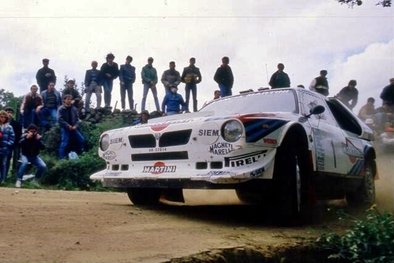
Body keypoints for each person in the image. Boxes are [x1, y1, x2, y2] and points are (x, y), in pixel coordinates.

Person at [15, 124, 47, 188]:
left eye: (34, 131)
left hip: (34, 156)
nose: (33, 132)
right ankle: (19, 180)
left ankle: (35, 180)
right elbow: (19, 144)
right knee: (24, 163)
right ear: (28, 131)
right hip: (25, 155)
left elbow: (43, 148)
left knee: (43, 166)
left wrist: (39, 140)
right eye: (31, 131)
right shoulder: (24, 136)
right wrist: (27, 139)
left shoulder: (37, 137)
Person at [58, 94, 85, 159]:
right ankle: (62, 159)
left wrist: (76, 125)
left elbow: (78, 119)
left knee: (81, 139)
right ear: (64, 100)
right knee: (64, 143)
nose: (69, 100)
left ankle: (82, 154)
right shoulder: (61, 109)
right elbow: (59, 119)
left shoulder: (74, 108)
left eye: (70, 99)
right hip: (65, 128)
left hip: (74, 128)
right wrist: (68, 126)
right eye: (68, 99)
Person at [4, 107, 22, 178]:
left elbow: (18, 135)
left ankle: (4, 177)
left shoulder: (16, 124)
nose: (9, 113)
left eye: (10, 112)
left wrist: (13, 144)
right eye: (7, 112)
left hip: (10, 145)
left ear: (13, 114)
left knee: (7, 160)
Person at [0, 110, 15, 184]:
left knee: (3, 164)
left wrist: (8, 144)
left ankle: (3, 180)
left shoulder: (9, 127)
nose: (2, 118)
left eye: (4, 117)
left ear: (6, 118)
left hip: (5, 149)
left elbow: (12, 138)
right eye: (1, 117)